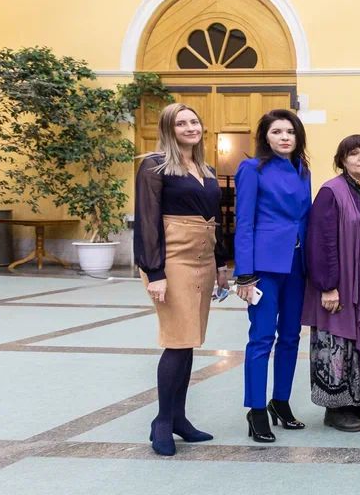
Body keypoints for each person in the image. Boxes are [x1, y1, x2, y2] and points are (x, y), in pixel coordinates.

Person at [134, 103, 230, 456]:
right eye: (181, 123)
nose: (190, 127)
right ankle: (161, 421)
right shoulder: (155, 165)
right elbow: (146, 220)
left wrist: (220, 266)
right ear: (169, 129)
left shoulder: (204, 168)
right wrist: (155, 272)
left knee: (188, 339)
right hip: (171, 259)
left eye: (194, 121)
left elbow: (214, 219)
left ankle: (179, 419)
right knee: (176, 339)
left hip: (202, 258)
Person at [234, 109, 312, 443]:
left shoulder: (303, 169)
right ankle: (256, 410)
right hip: (264, 266)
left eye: (290, 131)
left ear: (298, 137)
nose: (284, 137)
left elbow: (305, 218)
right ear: (265, 136)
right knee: (262, 338)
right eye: (277, 131)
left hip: (297, 265)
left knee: (292, 337)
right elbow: (244, 221)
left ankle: (280, 400)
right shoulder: (252, 169)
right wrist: (244, 274)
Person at [303, 135, 360, 433]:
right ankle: (335, 408)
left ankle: (358, 400)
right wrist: (328, 286)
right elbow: (321, 241)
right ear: (342, 161)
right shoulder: (331, 191)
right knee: (339, 342)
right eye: (354, 153)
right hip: (343, 284)